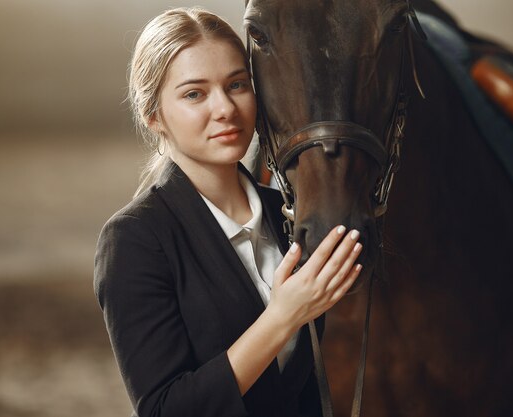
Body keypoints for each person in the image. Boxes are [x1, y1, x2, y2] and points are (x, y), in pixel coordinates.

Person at [93, 7, 363, 417]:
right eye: (194, 94)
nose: (225, 109)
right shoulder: (134, 239)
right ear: (153, 115)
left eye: (237, 84)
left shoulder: (286, 215)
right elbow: (165, 409)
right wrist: (283, 318)